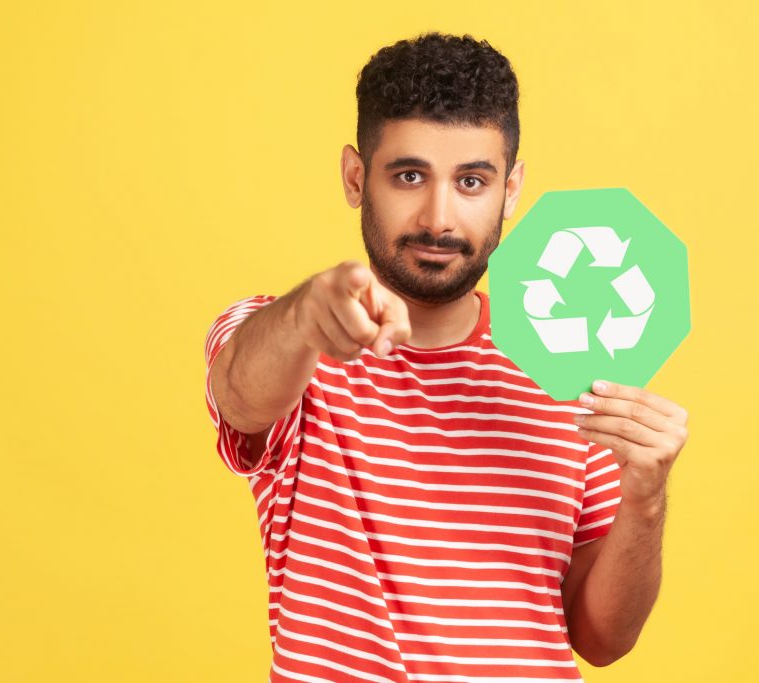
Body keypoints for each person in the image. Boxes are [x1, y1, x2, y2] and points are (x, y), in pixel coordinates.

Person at [203, 31, 689, 683]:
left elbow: (602, 638)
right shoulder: (292, 341)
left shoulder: (572, 362)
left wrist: (646, 498)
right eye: (409, 175)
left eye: (471, 181)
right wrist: (305, 315)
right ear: (356, 177)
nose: (439, 217)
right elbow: (238, 392)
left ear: (511, 190)